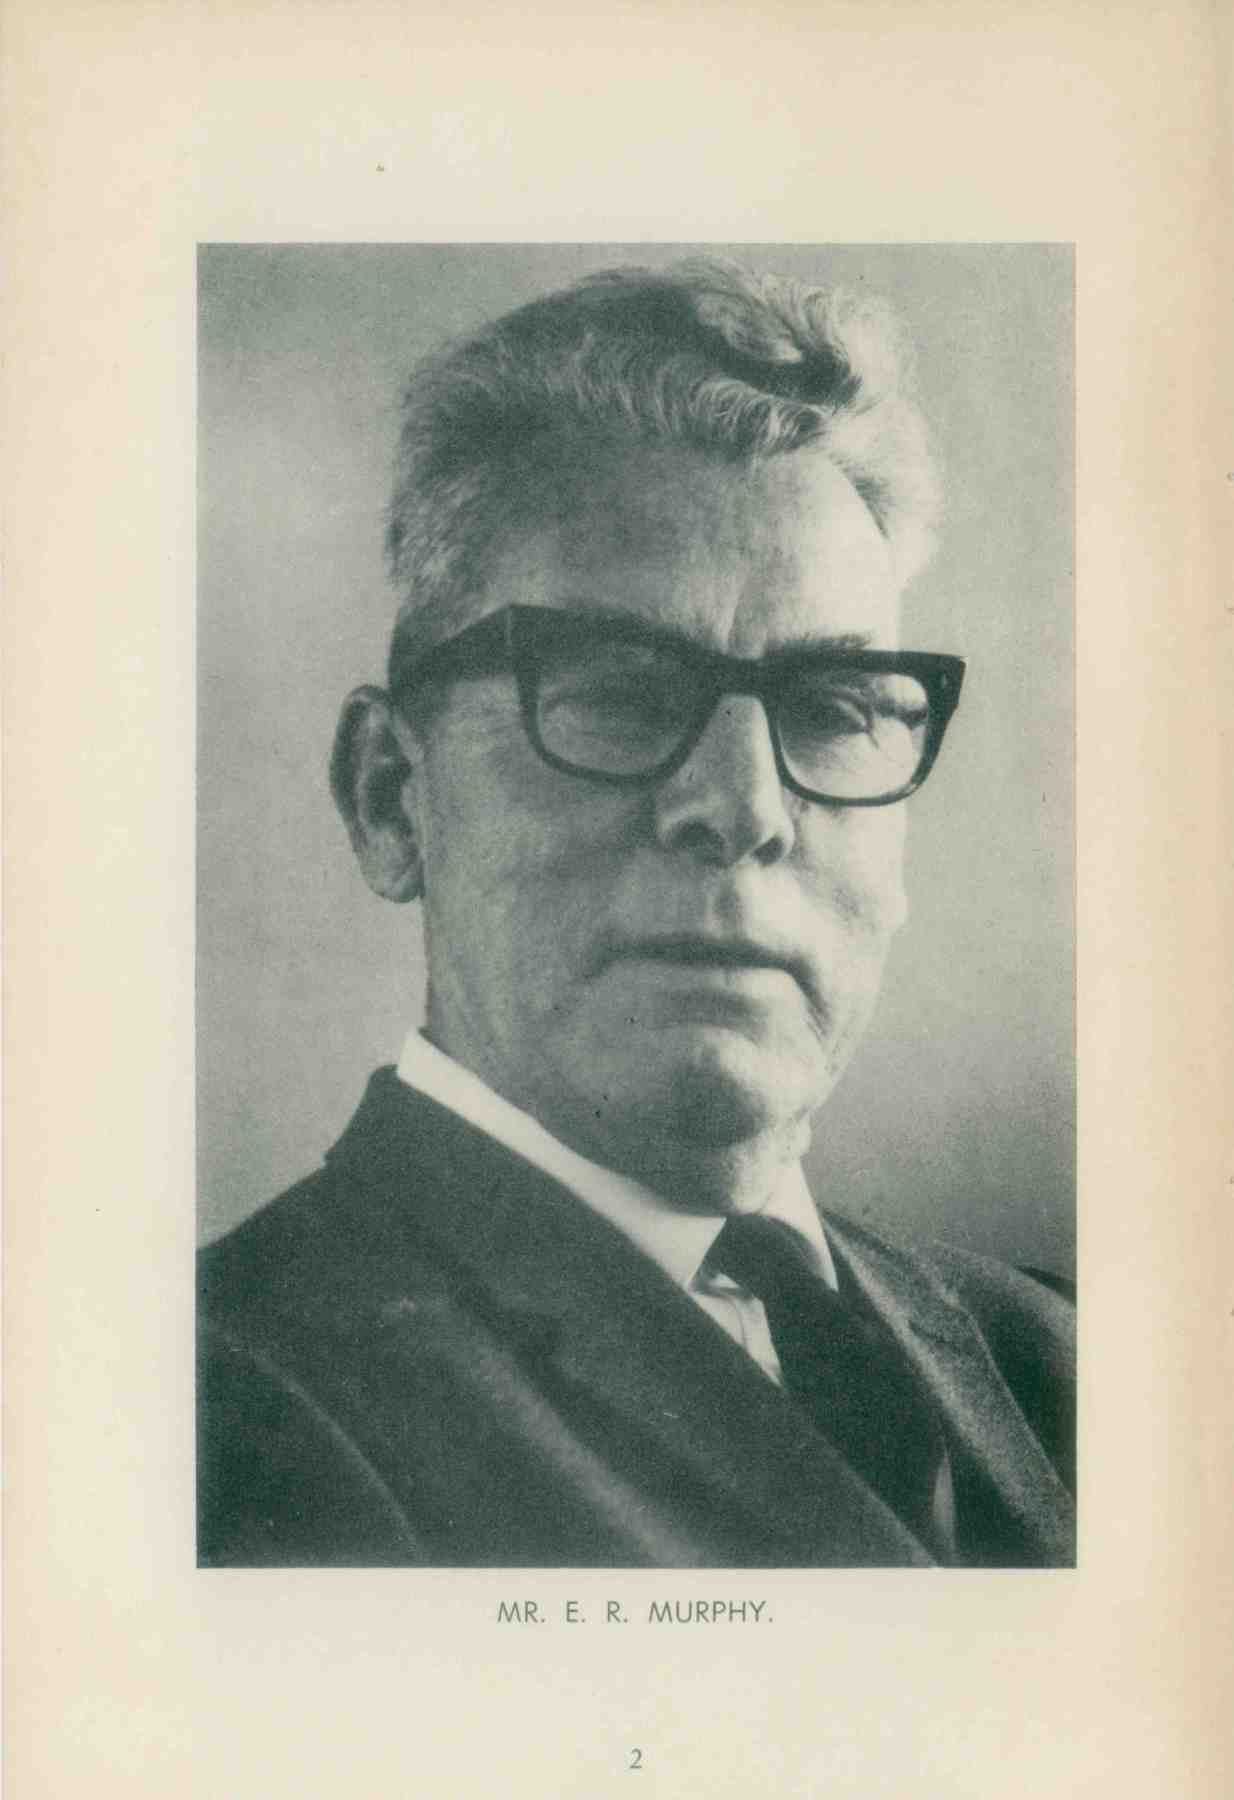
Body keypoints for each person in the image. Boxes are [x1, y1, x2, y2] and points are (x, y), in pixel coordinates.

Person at [197, 259, 1075, 1568]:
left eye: (832, 709)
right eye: (615, 693)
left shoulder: (1056, 1362)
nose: (744, 807)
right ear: (391, 798)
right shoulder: (217, 1416)